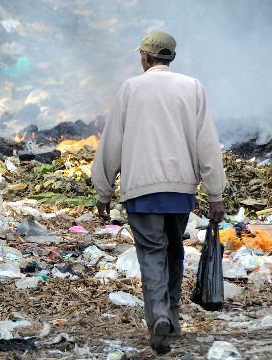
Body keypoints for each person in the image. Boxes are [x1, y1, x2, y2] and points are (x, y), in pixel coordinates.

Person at [91, 31, 226, 355]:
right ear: (171, 57)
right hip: (180, 192)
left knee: (152, 253)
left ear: (145, 57)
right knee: (174, 251)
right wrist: (215, 194)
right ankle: (174, 320)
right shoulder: (193, 87)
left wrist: (104, 190)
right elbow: (206, 143)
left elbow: (113, 143)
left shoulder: (130, 88)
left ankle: (159, 318)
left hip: (141, 191)